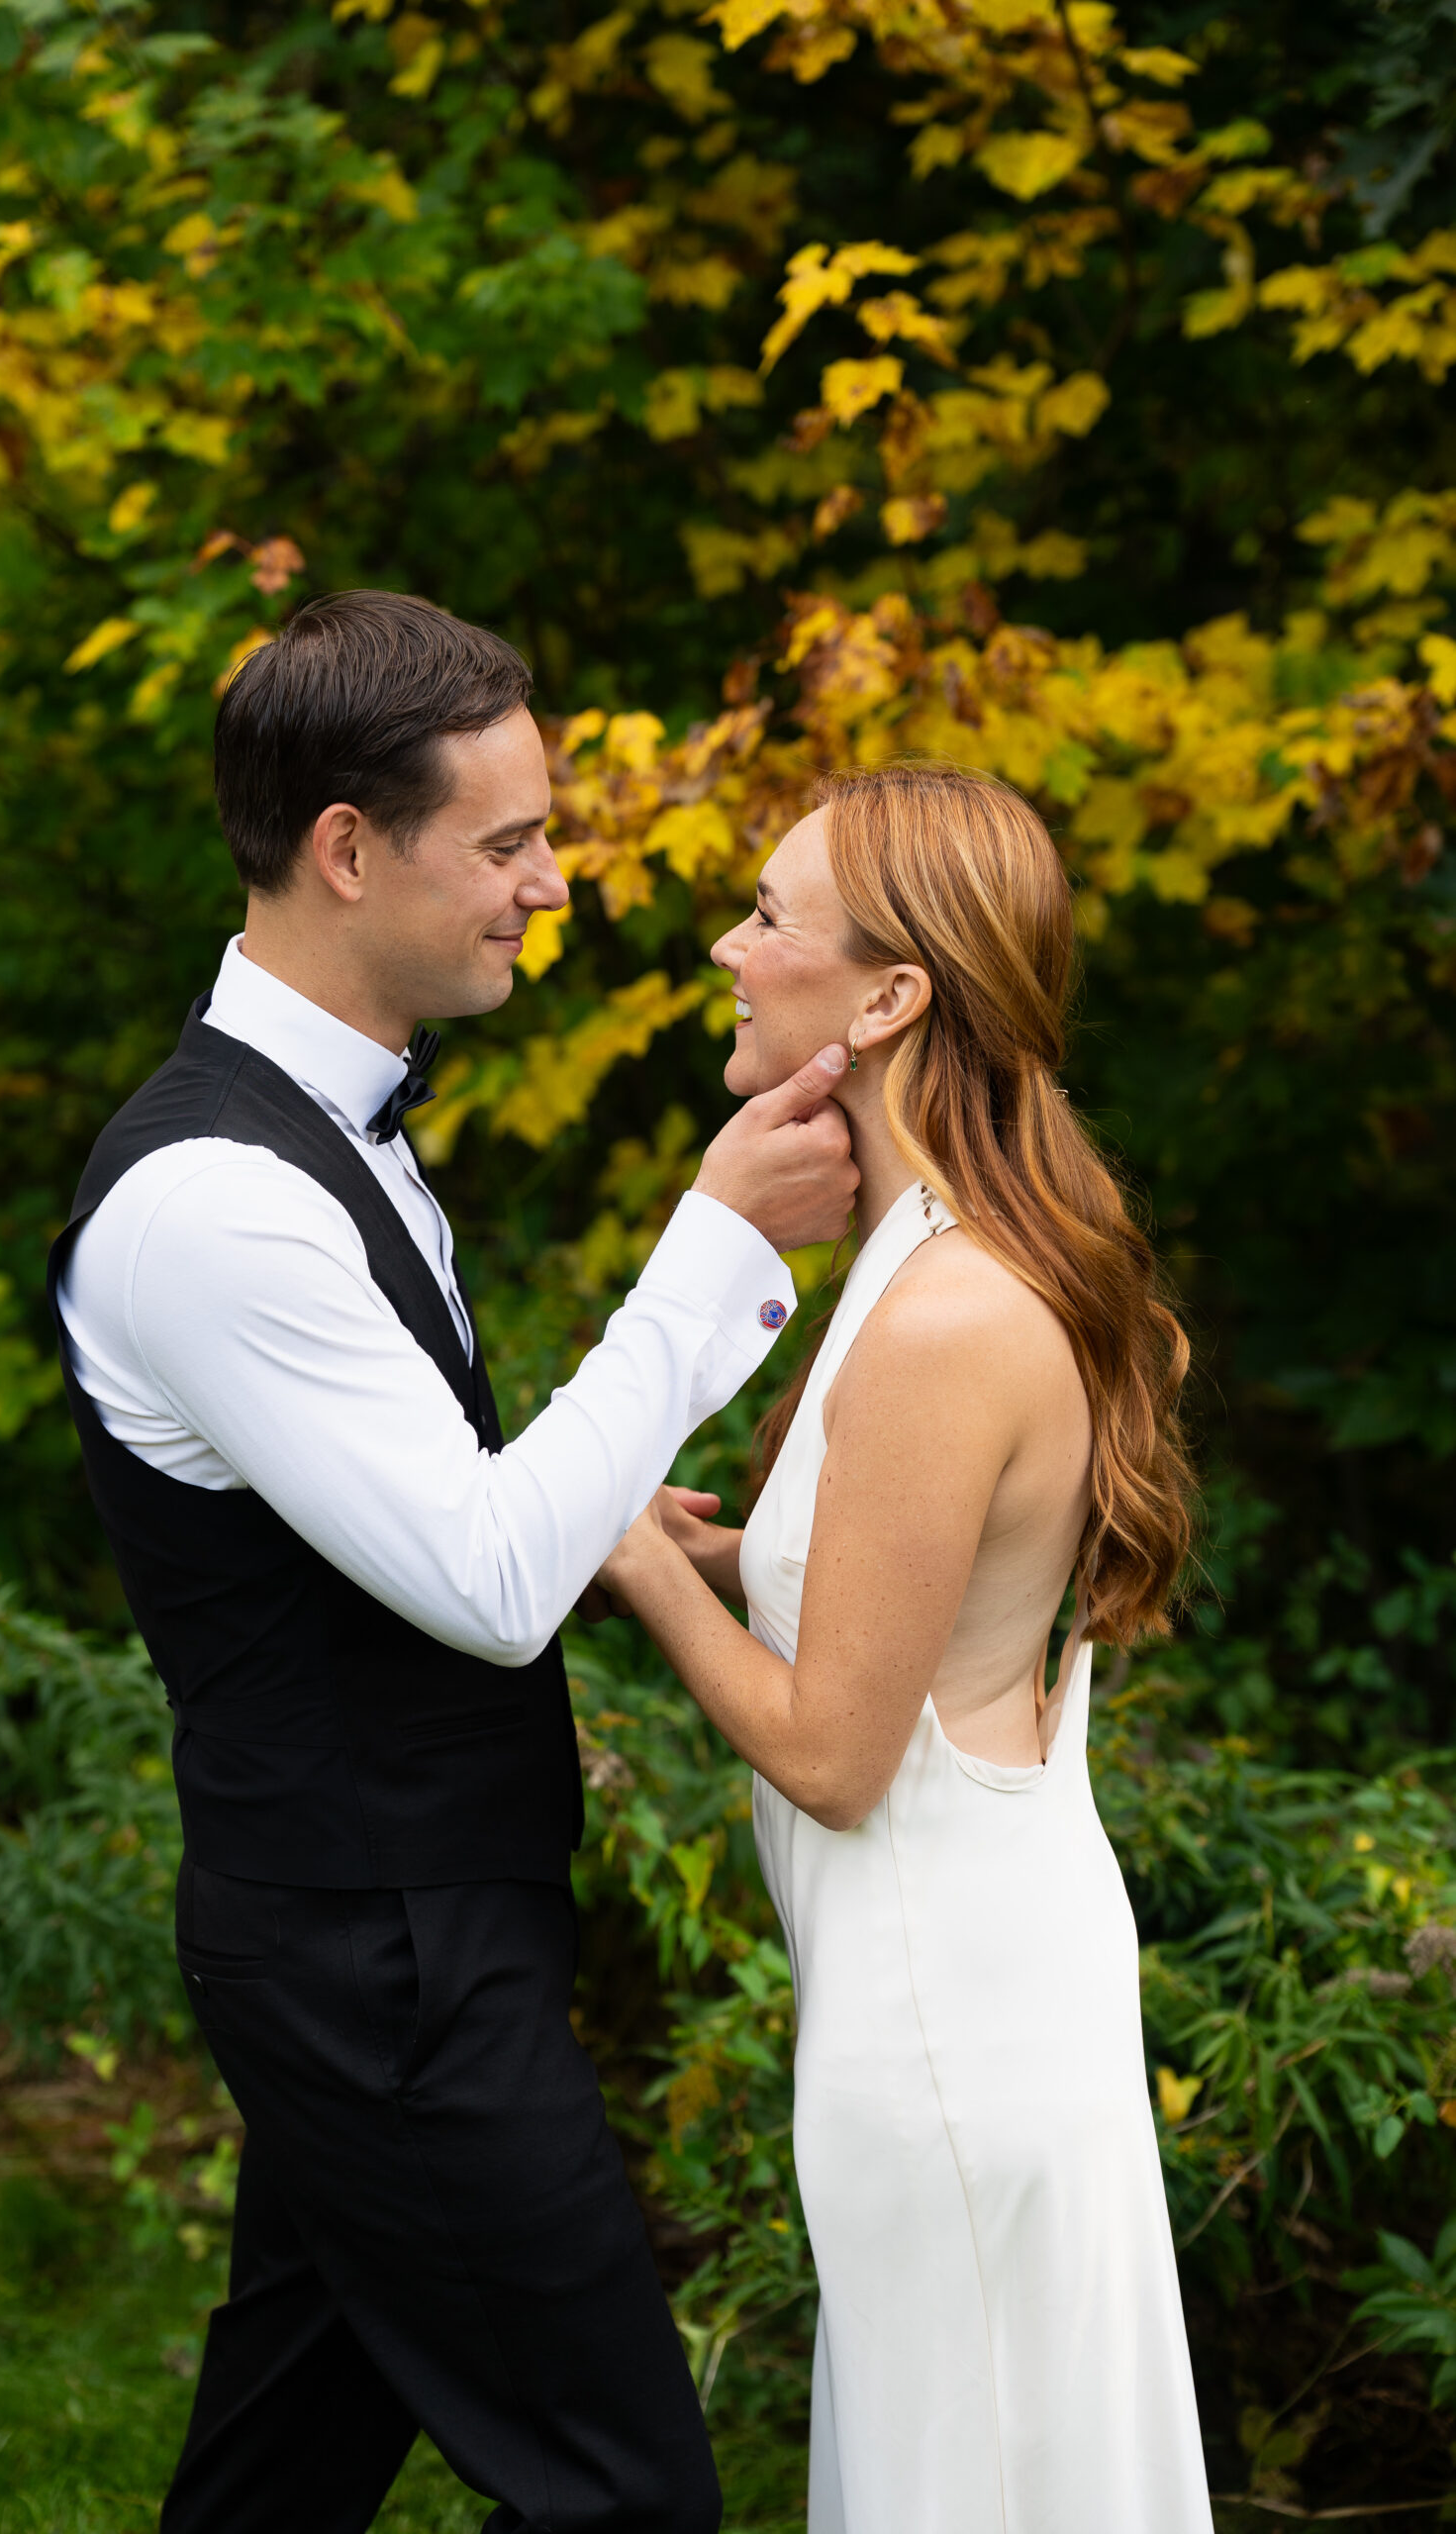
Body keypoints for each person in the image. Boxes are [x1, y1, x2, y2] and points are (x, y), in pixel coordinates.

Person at [47, 590, 861, 2534]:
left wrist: (582, 1526)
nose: (552, 885)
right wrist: (714, 1241)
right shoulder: (213, 1202)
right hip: (374, 1951)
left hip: (390, 1919)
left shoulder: (319, 1137)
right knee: (622, 2488)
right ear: (346, 847)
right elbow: (482, 1576)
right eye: (505, 842)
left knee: (282, 2466)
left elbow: (431, 1522)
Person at [598, 763, 1214, 2534]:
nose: (728, 943)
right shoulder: (943, 1254)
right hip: (977, 1975)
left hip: (950, 2019)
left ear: (888, 999)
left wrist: (640, 1563)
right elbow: (932, 1617)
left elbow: (834, 1753)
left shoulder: (946, 1312)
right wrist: (749, 1558)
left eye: (771, 916)